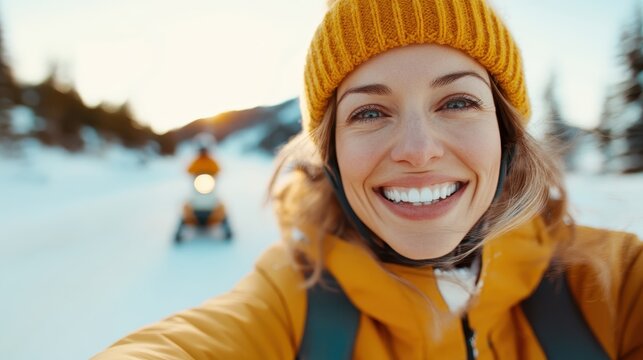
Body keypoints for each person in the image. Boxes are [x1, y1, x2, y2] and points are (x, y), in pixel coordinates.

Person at [94, 0, 642, 358]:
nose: (418, 151)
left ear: (505, 131)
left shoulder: (613, 283)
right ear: (330, 151)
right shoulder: (293, 300)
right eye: (369, 113)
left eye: (456, 101)